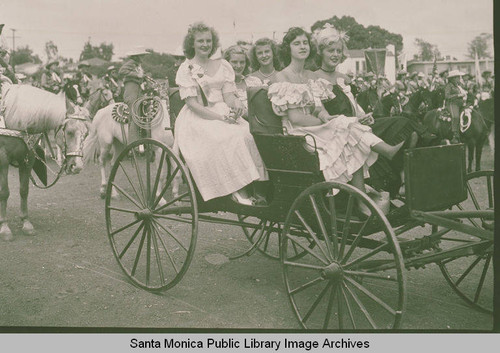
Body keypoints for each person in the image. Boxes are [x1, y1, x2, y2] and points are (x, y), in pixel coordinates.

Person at [268, 27, 405, 209]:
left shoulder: (310, 75)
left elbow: (318, 107)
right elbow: (295, 118)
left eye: (305, 43)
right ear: (288, 48)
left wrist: (326, 116)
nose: (302, 47)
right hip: (299, 132)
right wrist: (328, 122)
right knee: (343, 124)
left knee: (350, 136)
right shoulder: (282, 76)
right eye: (296, 43)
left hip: (316, 126)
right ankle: (386, 151)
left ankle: (362, 200)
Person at [312, 24, 419, 196]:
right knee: (367, 133)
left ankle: (405, 178)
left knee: (403, 122)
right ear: (321, 52)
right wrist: (342, 119)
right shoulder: (314, 77)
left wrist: (364, 116)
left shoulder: (343, 78)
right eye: (331, 51)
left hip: (357, 126)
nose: (335, 55)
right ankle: (390, 168)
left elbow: (355, 107)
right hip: (338, 132)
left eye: (338, 51)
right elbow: (320, 111)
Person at [174, 22, 267, 204]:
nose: (205, 45)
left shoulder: (223, 65)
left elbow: (228, 96)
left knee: (248, 133)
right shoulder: (186, 69)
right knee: (226, 137)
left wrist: (237, 104)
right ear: (192, 43)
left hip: (223, 111)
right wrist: (219, 118)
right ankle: (237, 189)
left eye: (208, 40)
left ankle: (257, 187)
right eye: (200, 41)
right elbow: (193, 104)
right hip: (198, 117)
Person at [118, 46, 150, 143]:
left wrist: (143, 77)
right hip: (131, 91)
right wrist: (136, 75)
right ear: (136, 57)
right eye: (142, 56)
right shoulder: (131, 63)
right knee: (134, 116)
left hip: (138, 91)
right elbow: (121, 71)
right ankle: (133, 143)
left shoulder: (138, 65)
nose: (143, 57)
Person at [223, 44, 262, 116]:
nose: (239, 66)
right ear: (227, 63)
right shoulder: (224, 86)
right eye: (234, 62)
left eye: (242, 62)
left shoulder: (255, 82)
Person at [444, 70, 467, 143]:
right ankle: (455, 135)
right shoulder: (448, 86)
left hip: (460, 104)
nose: (459, 79)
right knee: (455, 117)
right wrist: (457, 95)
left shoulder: (458, 86)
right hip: (452, 104)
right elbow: (447, 96)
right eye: (458, 77)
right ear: (453, 78)